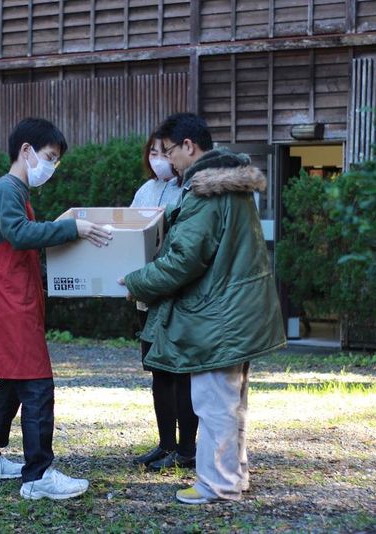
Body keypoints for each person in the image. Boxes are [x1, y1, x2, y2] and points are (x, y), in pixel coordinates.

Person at [121, 113, 286, 504]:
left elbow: (183, 260)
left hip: (218, 315)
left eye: (170, 151)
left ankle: (218, 484)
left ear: (189, 147)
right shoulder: (231, 185)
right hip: (237, 310)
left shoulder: (206, 192)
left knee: (213, 404)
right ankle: (233, 475)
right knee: (231, 403)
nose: (168, 161)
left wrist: (136, 281)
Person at [0, 117, 112, 500]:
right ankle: (38, 475)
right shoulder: (7, 189)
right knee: (36, 384)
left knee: (14, 383)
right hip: (9, 303)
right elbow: (20, 234)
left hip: (7, 300)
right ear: (26, 150)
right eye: (49, 156)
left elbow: (20, 235)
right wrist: (70, 229)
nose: (51, 166)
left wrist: (59, 224)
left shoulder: (12, 191)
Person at [130, 135, 198, 471]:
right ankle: (165, 444)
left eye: (164, 152)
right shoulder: (145, 190)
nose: (160, 159)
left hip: (174, 291)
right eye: (153, 153)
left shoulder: (187, 191)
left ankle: (187, 447)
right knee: (157, 370)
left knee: (180, 372)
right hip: (148, 292)